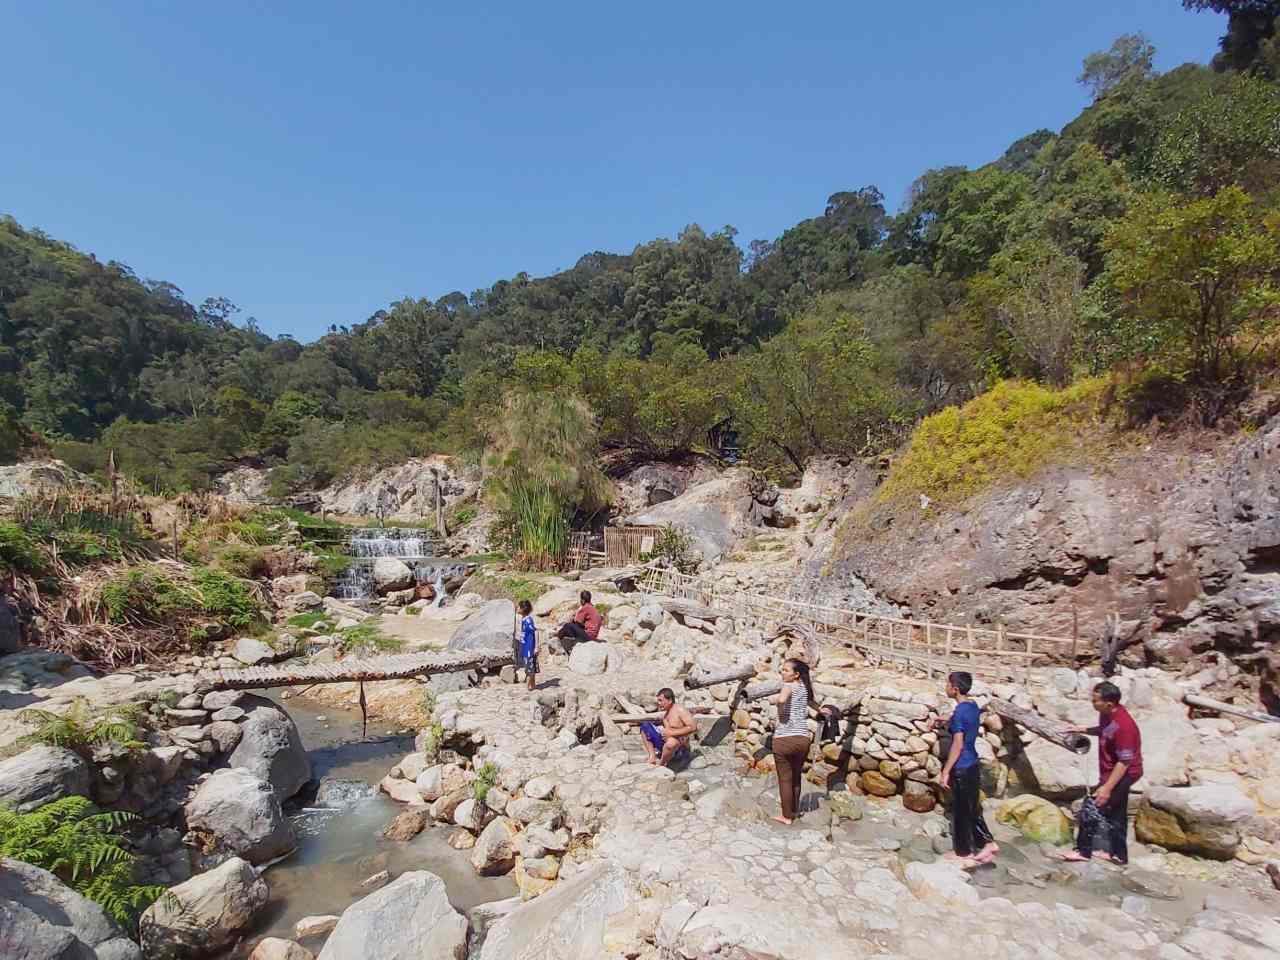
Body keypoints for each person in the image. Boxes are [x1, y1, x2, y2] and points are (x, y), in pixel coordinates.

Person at [1060, 681, 1143, 865]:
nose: (1092, 702)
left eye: (1095, 700)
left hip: (1124, 772)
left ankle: (1083, 851)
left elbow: (1124, 761)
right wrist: (1083, 729)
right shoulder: (1107, 715)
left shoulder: (1125, 726)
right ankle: (1119, 855)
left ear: (1109, 704)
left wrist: (1107, 788)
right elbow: (1106, 731)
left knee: (1091, 808)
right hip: (1112, 771)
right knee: (1117, 813)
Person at [938, 671, 999, 866]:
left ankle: (963, 853)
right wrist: (947, 720)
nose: (945, 687)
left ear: (955, 689)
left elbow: (957, 745)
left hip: (962, 767)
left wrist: (946, 771)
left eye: (947, 684)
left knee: (962, 811)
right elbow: (964, 721)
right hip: (974, 764)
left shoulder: (959, 714)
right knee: (972, 807)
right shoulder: (972, 706)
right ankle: (987, 843)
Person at [770, 658, 814, 826]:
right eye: (782, 669)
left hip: (784, 739)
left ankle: (786, 816)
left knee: (785, 779)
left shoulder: (788, 686)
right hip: (802, 739)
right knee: (796, 776)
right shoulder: (804, 688)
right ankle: (795, 810)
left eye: (786, 670)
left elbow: (782, 700)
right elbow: (812, 705)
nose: (782, 672)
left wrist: (781, 711)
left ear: (796, 675)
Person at [639, 688, 696, 767]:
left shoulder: (680, 710)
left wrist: (671, 733)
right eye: (658, 701)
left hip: (679, 747)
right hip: (667, 743)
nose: (658, 703)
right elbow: (667, 732)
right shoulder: (665, 716)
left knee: (671, 743)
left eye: (661, 700)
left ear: (670, 700)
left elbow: (692, 727)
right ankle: (652, 757)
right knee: (645, 726)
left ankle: (662, 764)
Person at [516, 599, 537, 691]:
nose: (517, 608)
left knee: (529, 669)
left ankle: (527, 688)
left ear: (522, 609)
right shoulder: (524, 620)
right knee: (530, 667)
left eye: (519, 606)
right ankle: (533, 686)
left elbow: (535, 632)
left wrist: (536, 647)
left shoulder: (528, 620)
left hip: (529, 648)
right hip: (525, 648)